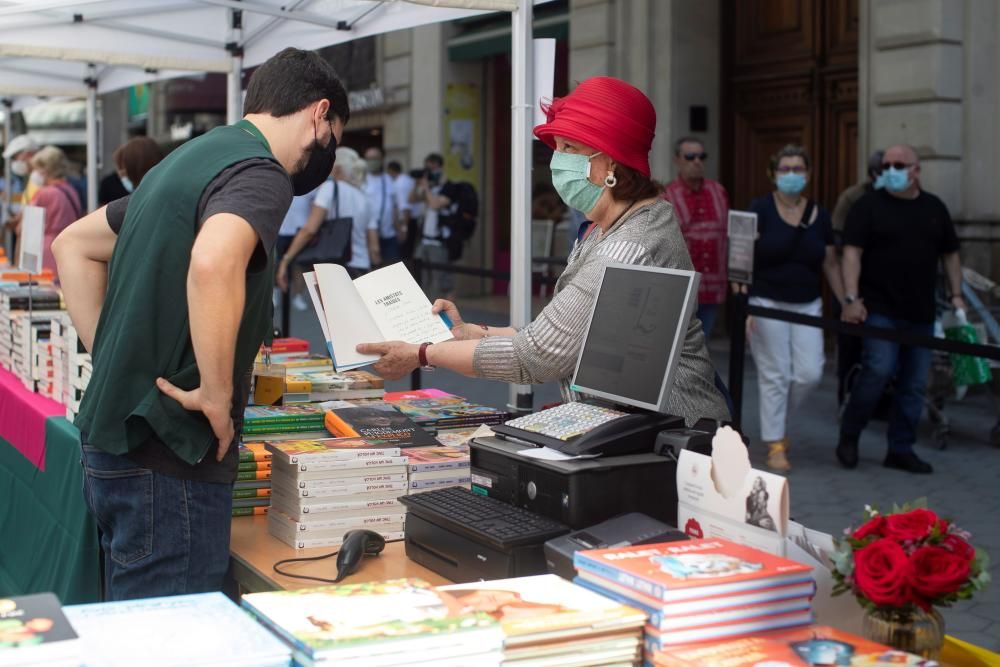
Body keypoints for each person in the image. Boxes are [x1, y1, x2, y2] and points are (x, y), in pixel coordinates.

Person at [52, 47, 349, 600]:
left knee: (138, 630)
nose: (329, 149)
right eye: (334, 133)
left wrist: (113, 354)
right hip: (170, 456)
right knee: (173, 641)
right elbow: (213, 262)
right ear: (319, 113)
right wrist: (215, 392)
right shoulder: (262, 173)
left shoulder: (190, 158)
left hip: (114, 439)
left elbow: (73, 245)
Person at [358, 77, 730, 426]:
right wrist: (470, 332)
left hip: (672, 440)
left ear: (610, 163)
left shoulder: (626, 246)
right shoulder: (611, 225)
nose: (556, 161)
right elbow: (553, 335)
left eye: (570, 148)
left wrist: (422, 353)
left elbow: (537, 356)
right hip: (634, 430)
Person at [838, 144, 964, 475]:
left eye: (899, 164)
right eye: (887, 164)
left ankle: (900, 448)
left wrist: (957, 294)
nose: (890, 169)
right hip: (879, 308)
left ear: (916, 170)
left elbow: (951, 254)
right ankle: (849, 435)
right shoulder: (868, 206)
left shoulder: (934, 208)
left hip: (921, 312)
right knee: (878, 371)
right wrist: (852, 299)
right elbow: (851, 253)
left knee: (914, 384)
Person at [747, 145, 844, 472]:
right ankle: (775, 442)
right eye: (785, 169)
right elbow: (742, 256)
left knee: (809, 373)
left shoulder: (820, 214)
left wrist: (846, 301)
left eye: (798, 169)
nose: (792, 175)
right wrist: (743, 303)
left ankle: (778, 423)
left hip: (808, 303)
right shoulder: (759, 208)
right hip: (767, 301)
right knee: (775, 374)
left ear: (808, 173)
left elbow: (830, 261)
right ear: (774, 174)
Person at [277, 146, 380, 284]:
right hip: (362, 268)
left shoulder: (329, 188)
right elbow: (374, 247)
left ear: (337, 169)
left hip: (337, 268)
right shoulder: (365, 198)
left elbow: (309, 230)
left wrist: (286, 259)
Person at [662, 137, 729, 337]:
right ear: (677, 160)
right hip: (681, 290)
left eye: (701, 156)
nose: (697, 161)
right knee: (679, 348)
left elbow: (728, 235)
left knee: (703, 342)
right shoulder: (667, 196)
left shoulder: (719, 192)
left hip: (712, 288)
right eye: (690, 156)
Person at [28, 146, 83, 281]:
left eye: (38, 168)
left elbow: (29, 228)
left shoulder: (43, 193)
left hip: (45, 253)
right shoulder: (71, 190)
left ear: (46, 170)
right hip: (68, 249)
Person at [412, 153, 456, 299]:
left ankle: (448, 315)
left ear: (441, 168)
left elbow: (435, 204)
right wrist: (418, 184)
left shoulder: (449, 187)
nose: (430, 173)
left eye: (433, 169)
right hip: (424, 241)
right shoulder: (429, 188)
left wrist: (427, 188)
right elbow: (411, 199)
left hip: (439, 243)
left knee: (440, 281)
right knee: (422, 279)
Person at [831, 150, 885, 236]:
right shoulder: (852, 195)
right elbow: (836, 230)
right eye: (882, 172)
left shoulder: (898, 194)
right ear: (873, 173)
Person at [363, 147, 399, 265]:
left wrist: (400, 227)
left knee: (391, 270)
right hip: (367, 237)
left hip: (388, 235)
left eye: (375, 158)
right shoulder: (361, 180)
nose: (372, 161)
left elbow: (394, 205)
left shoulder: (388, 179)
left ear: (382, 160)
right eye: (369, 159)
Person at [2, 134, 40, 245]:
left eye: (15, 157)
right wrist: (18, 218)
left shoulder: (38, 178)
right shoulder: (33, 177)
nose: (15, 162)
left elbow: (38, 206)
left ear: (28, 154)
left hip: (34, 237)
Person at [387, 160, 416, 259]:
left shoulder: (400, 184)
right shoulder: (408, 180)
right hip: (409, 221)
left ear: (391, 171)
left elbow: (405, 208)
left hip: (406, 222)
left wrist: (403, 229)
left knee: (404, 256)